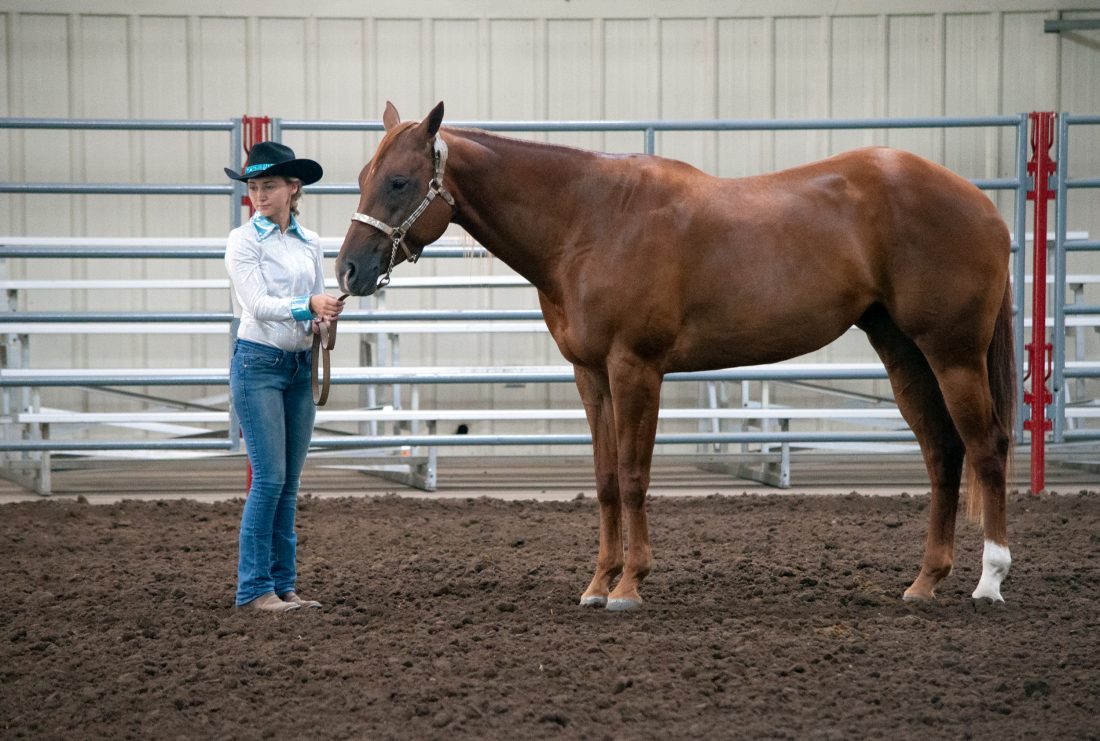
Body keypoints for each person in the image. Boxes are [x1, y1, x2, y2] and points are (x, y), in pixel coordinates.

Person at [223, 141, 344, 612]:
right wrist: (307, 305)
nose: (259, 195)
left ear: (293, 188)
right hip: (258, 363)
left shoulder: (309, 242)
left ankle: (283, 585)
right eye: (254, 186)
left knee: (287, 483)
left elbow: (315, 300)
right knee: (270, 479)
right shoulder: (243, 241)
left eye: (268, 186)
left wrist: (322, 319)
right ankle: (255, 588)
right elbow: (256, 305)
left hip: (296, 366)